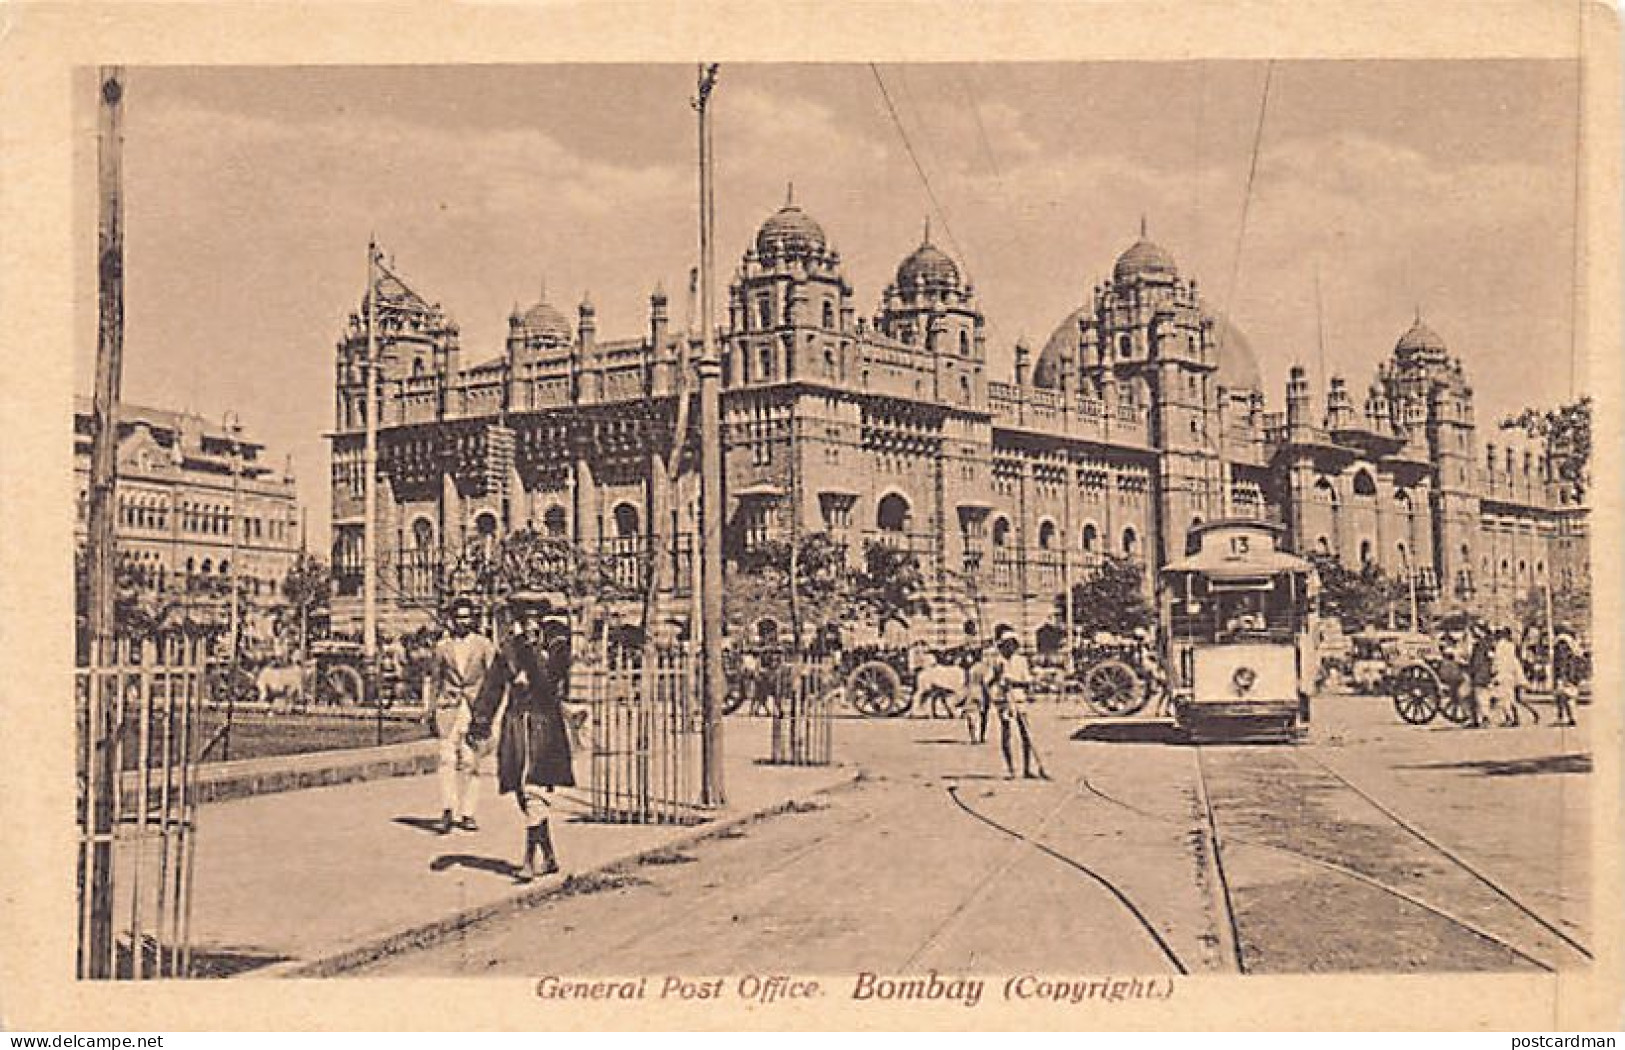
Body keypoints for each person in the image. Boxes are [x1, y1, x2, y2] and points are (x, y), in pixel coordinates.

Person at [465, 590, 577, 882]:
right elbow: (492, 687)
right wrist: (480, 722)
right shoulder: (509, 649)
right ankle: (549, 856)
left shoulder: (556, 646)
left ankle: (528, 860)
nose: (529, 625)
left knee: (533, 790)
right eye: (523, 619)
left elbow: (549, 680)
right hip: (516, 725)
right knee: (522, 793)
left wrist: (528, 652)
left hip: (544, 724)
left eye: (534, 619)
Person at [428, 595, 496, 834]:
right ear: (452, 619)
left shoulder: (483, 645)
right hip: (449, 708)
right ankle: (448, 809)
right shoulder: (442, 647)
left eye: (467, 617)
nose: (462, 622)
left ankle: (468, 812)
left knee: (470, 761)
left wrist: (488, 712)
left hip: (475, 710)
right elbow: (435, 680)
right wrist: (430, 709)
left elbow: (493, 681)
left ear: (473, 619)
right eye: (458, 617)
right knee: (446, 758)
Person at [992, 628, 1048, 780]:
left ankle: (1027, 768)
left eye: (1010, 645)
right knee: (1006, 735)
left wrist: (1014, 682)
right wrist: (999, 680)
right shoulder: (997, 661)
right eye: (1005, 645)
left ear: (1015, 646)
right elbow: (991, 681)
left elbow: (1028, 681)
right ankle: (1011, 769)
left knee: (1026, 735)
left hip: (1019, 699)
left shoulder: (1021, 661)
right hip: (1003, 700)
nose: (1008, 648)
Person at [1489, 625, 1528, 728]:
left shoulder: (1500, 646)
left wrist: (1494, 671)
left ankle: (1509, 718)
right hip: (1510, 674)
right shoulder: (1511, 645)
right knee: (1510, 697)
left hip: (1502, 674)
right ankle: (1515, 718)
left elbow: (1497, 660)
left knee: (1503, 697)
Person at [1551, 631, 1583, 727]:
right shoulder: (1557, 658)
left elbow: (1575, 669)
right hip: (1561, 680)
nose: (1561, 647)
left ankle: (1572, 718)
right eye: (1560, 645)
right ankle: (1562, 717)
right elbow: (1556, 670)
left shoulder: (1572, 657)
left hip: (1569, 680)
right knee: (1559, 699)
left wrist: (1573, 679)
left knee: (1569, 699)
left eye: (1564, 644)